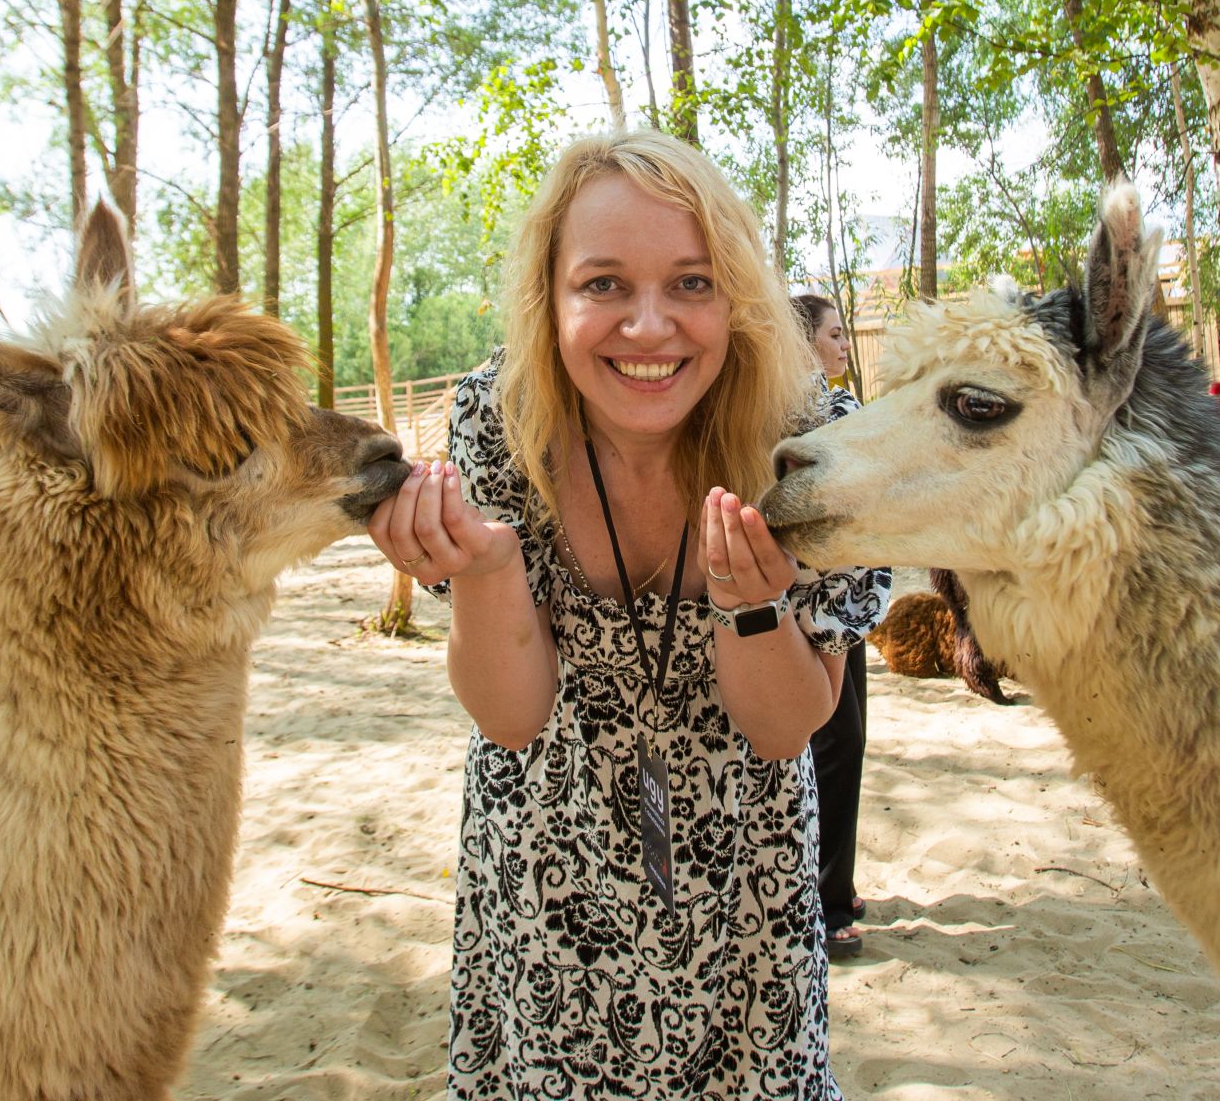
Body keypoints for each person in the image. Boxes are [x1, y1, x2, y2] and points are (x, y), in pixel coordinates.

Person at [370, 131, 889, 1099]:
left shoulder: (805, 438)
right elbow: (512, 715)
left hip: (746, 888)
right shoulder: (501, 421)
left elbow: (784, 726)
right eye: (603, 284)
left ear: (736, 294)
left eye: (691, 283)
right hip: (548, 881)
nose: (648, 327)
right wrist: (485, 576)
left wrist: (751, 606)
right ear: (550, 297)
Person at [790, 294, 869, 961]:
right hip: (817, 612)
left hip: (850, 604)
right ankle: (823, 902)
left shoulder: (833, 411)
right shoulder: (814, 418)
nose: (844, 345)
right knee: (833, 744)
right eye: (835, 334)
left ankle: (835, 882)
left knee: (849, 740)